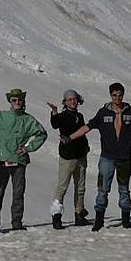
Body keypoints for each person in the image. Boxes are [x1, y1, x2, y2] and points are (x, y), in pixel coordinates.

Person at [66, 82, 131, 231]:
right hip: (107, 157)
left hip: (124, 158)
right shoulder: (103, 112)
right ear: (110, 95)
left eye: (120, 95)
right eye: (114, 95)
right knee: (102, 189)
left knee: (124, 189)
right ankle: (99, 220)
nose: (117, 98)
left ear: (123, 95)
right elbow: (88, 127)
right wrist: (70, 137)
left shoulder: (130, 112)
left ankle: (126, 220)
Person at [0, 87, 48, 233]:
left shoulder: (28, 120)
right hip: (2, 160)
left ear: (23, 101)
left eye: (19, 100)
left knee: (18, 194)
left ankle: (16, 223)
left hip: (19, 162)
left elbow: (42, 134)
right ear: (10, 101)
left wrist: (28, 148)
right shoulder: (1, 117)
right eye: (14, 100)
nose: (17, 102)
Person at [46, 89, 90, 229]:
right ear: (65, 102)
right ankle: (56, 215)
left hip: (81, 155)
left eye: (74, 99)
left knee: (80, 186)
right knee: (62, 186)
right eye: (70, 99)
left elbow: (82, 134)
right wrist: (54, 111)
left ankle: (79, 214)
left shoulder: (80, 116)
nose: (73, 101)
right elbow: (54, 124)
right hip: (67, 156)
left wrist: (86, 147)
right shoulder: (63, 116)